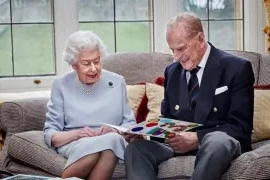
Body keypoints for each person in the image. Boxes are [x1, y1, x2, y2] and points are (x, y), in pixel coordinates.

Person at [124, 12, 254, 180]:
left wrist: (197, 138)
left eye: (181, 48)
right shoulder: (172, 71)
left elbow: (241, 128)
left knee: (217, 141)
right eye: (172, 50)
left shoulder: (237, 68)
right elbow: (167, 121)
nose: (177, 57)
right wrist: (145, 135)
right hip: (176, 147)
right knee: (136, 149)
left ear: (200, 38)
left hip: (217, 145)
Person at [43, 30, 139, 180]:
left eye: (97, 61)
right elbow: (51, 134)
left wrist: (115, 130)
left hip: (112, 140)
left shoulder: (117, 81)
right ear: (74, 65)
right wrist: (77, 134)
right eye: (86, 63)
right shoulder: (61, 84)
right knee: (103, 147)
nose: (94, 68)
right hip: (75, 142)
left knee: (111, 142)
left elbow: (129, 124)